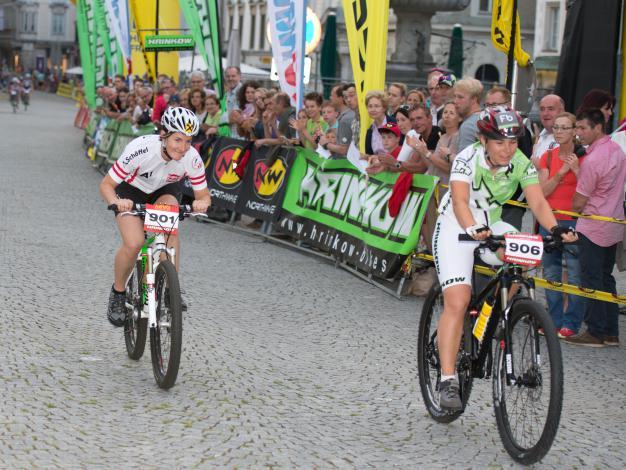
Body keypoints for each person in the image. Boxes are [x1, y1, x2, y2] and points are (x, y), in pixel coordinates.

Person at [432, 106, 578, 410]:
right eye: (500, 142)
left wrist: (555, 228)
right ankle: (448, 379)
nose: (507, 149)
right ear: (484, 141)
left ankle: (496, 315)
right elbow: (460, 200)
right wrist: (471, 227)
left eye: (513, 142)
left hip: (491, 220)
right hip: (456, 223)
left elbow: (537, 200)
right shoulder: (466, 158)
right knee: (458, 301)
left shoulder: (521, 162)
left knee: (524, 257)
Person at [99, 107, 211, 326]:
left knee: (169, 228)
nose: (183, 147)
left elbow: (204, 196)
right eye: (178, 140)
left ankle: (171, 289)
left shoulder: (192, 158)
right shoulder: (140, 149)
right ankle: (118, 293)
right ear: (163, 135)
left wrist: (202, 203)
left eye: (188, 141)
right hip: (131, 191)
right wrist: (116, 202)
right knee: (135, 243)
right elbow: (106, 185)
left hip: (164, 189)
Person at [565, 108, 626, 347]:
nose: (578, 133)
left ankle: (595, 332)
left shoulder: (595, 158)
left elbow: (580, 198)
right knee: (605, 278)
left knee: (591, 279)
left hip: (593, 224)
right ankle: (611, 331)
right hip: (613, 222)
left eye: (582, 128)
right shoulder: (616, 150)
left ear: (597, 127)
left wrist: (573, 211)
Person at [537, 112, 586, 338]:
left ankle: (572, 323)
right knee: (551, 271)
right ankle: (553, 321)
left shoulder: (584, 156)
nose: (559, 131)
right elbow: (542, 191)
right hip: (550, 219)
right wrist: (561, 174)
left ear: (575, 130)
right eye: (556, 127)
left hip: (574, 219)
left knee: (575, 274)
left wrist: (576, 170)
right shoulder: (548, 157)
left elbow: (589, 190)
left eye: (565, 127)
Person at [532, 94, 565, 167]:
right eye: (542, 109)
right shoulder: (540, 137)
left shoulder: (570, 138)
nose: (545, 113)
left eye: (551, 109)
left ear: (562, 112)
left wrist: (540, 166)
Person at [454, 77, 484, 151]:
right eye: (455, 96)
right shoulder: (486, 117)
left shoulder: (468, 126)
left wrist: (448, 156)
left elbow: (465, 161)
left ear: (474, 99)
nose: (455, 101)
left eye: (460, 97)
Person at [364, 90, 396, 155]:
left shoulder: (394, 124)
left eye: (376, 106)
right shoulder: (370, 130)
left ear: (384, 108)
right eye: (370, 106)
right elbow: (369, 154)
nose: (373, 109)